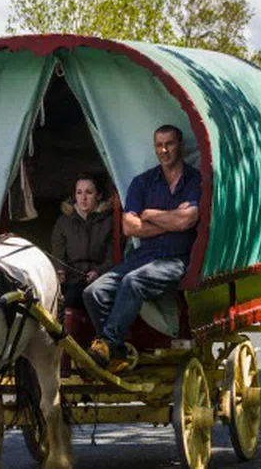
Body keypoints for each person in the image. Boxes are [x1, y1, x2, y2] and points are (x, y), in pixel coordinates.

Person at [82, 124, 201, 373]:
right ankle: (117, 352)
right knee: (94, 291)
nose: (164, 149)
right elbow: (129, 227)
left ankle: (107, 344)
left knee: (133, 282)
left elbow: (187, 220)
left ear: (180, 145)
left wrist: (151, 215)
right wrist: (170, 221)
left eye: (169, 143)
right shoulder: (143, 182)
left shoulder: (195, 180)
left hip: (177, 259)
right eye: (159, 144)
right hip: (143, 256)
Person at [51, 173, 114, 310]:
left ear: (99, 195)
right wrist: (60, 271)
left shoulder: (110, 221)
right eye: (79, 193)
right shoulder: (63, 222)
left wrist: (98, 271)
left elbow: (113, 257)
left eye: (89, 192)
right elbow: (58, 253)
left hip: (100, 280)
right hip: (71, 280)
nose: (83, 198)